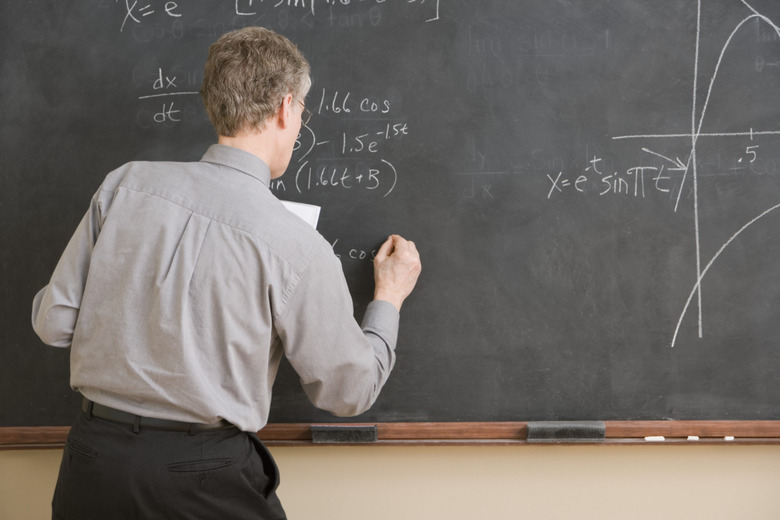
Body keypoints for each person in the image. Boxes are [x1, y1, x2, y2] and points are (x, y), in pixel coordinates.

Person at [31, 26, 421, 520]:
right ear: (284, 108)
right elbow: (348, 392)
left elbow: (54, 323)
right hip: (203, 478)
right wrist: (388, 298)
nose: (300, 123)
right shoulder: (297, 246)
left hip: (92, 462)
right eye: (302, 110)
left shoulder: (124, 186)